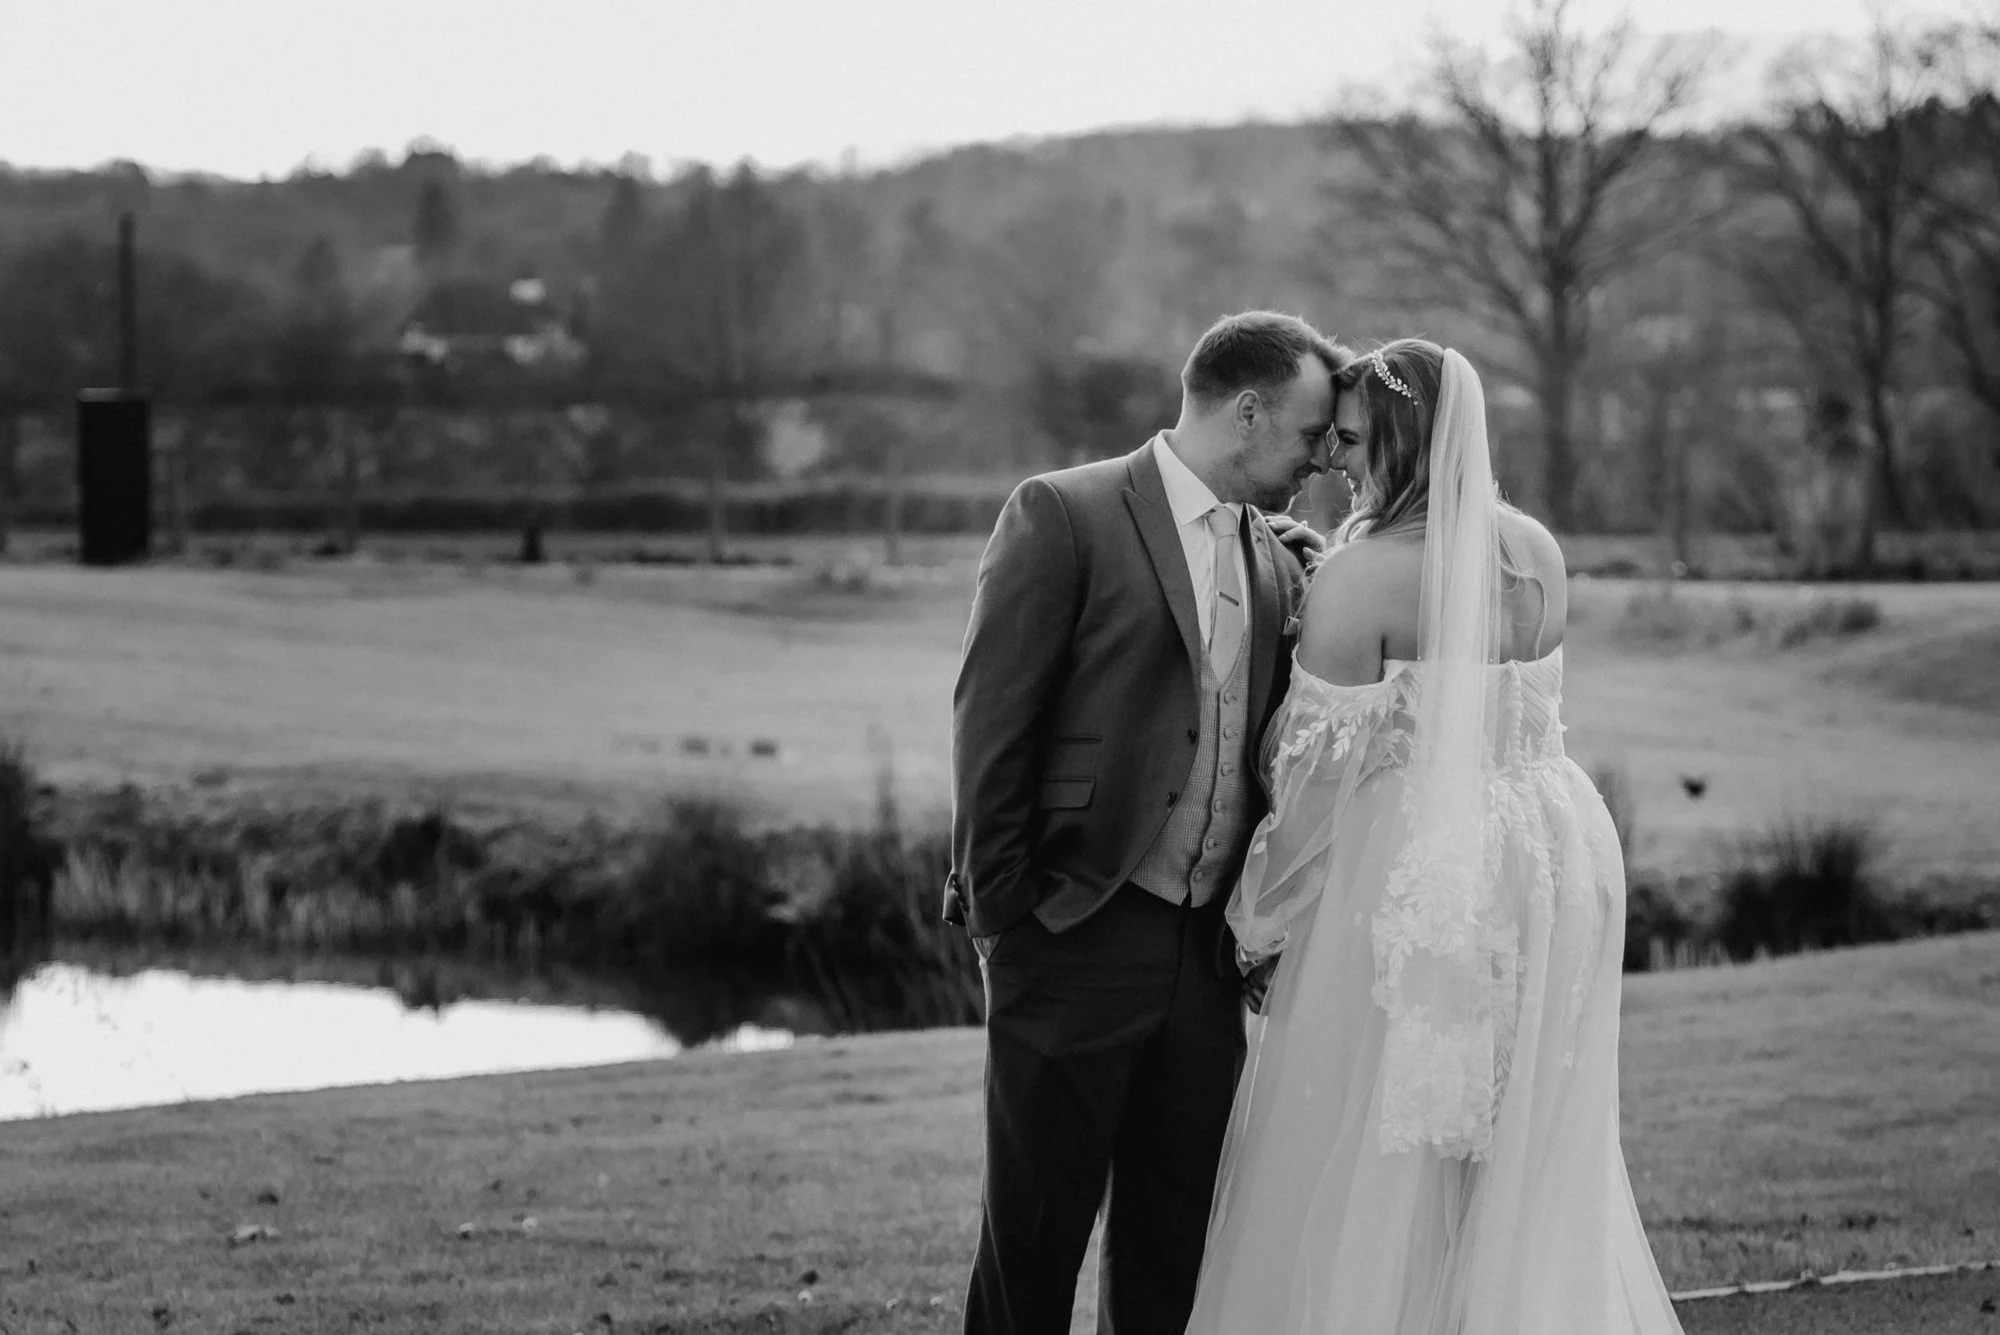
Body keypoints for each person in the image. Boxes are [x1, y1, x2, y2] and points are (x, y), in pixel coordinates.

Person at [1185, 338, 1686, 1334]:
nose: (1335, 459)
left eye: (1355, 441)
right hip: (1550, 855)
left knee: (1385, 1132)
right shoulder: (1534, 551)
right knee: (1518, 1131)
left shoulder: (1360, 579)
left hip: (1424, 868)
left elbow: (1316, 781)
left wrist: (1256, 919)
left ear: (1406, 448)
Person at [945, 311, 1344, 1334]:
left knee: (1173, 1252)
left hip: (1204, 956)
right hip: (1070, 934)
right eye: (1306, 435)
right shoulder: (1062, 513)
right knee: (1031, 1243)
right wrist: (1007, 922)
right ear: (1246, 411)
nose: (1316, 462)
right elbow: (992, 726)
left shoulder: (1277, 556)